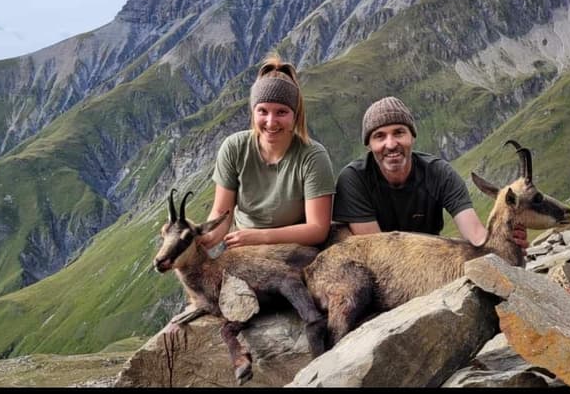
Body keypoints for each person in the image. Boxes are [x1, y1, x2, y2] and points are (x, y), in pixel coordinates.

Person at [332, 96, 526, 249]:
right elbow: (377, 249)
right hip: (379, 269)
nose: (390, 144)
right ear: (369, 145)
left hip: (428, 264)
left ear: (412, 137)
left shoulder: (439, 173)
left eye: (399, 132)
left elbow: (475, 234)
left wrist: (504, 245)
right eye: (379, 136)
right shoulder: (354, 180)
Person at [198, 55, 335, 252]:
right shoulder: (234, 147)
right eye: (262, 111)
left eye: (281, 112)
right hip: (243, 247)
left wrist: (261, 237)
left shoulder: (312, 156)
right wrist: (206, 238)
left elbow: (317, 229)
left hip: (295, 250)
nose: (271, 122)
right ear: (253, 113)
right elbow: (221, 213)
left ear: (295, 115)